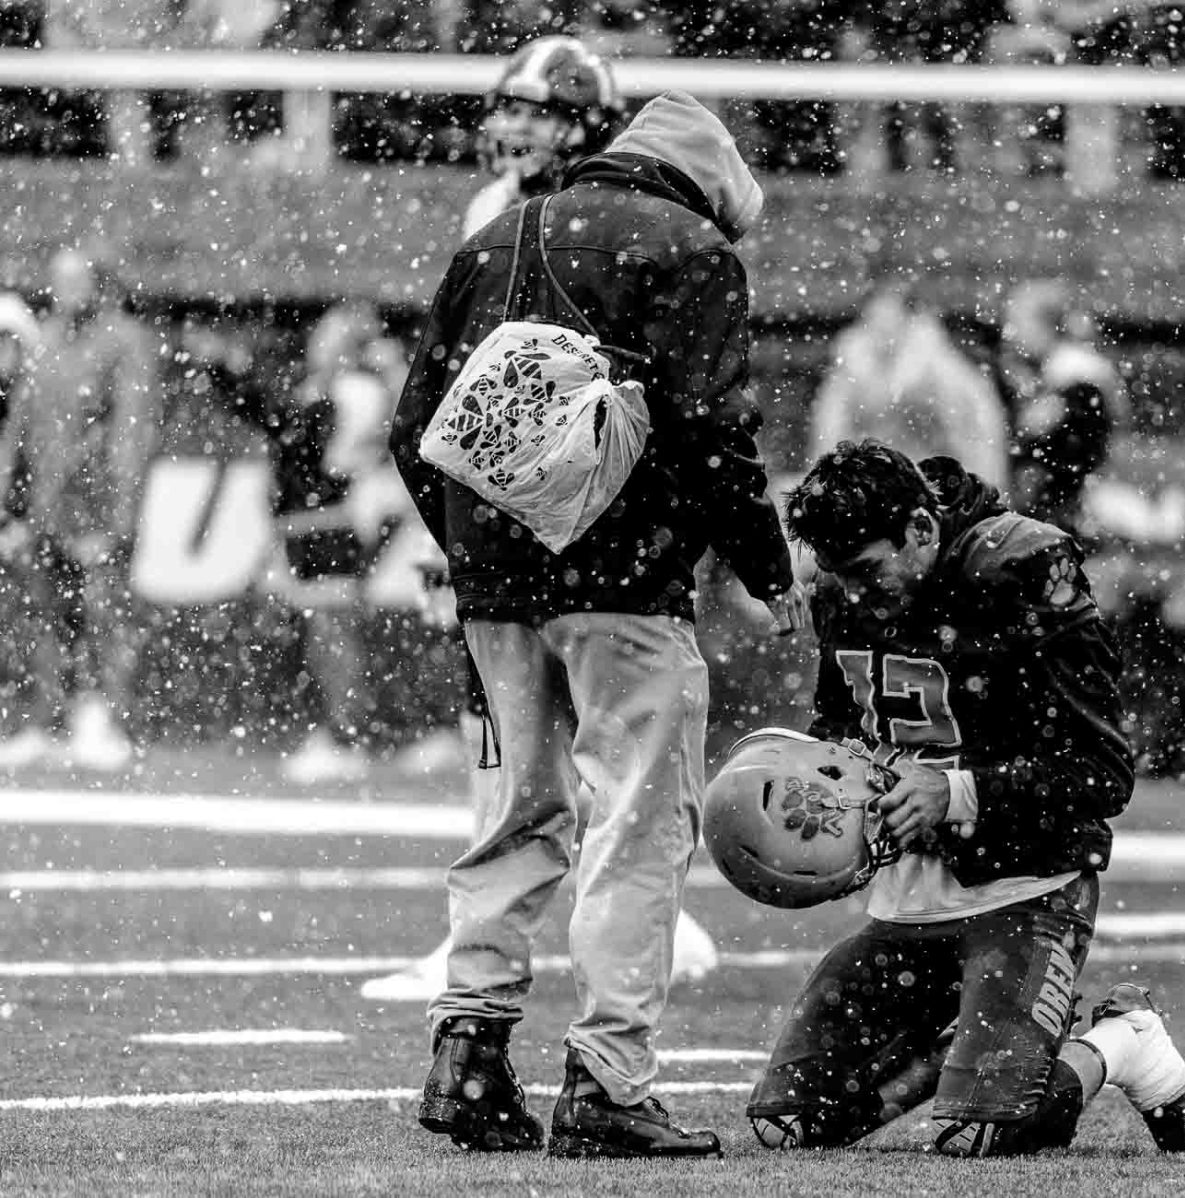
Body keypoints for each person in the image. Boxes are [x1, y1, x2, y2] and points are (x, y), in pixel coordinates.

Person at [390, 90, 804, 1159]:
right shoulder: (692, 248)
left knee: (515, 815)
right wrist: (765, 564)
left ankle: (468, 1051)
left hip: (493, 588)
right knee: (637, 825)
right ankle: (607, 1080)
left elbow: (414, 426)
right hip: (624, 580)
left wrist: (478, 549)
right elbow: (711, 427)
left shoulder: (496, 232)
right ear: (708, 188)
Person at [746, 440, 1185, 1157]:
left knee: (986, 1132)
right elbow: (838, 728)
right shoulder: (845, 590)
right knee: (790, 1123)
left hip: (1024, 889)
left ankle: (1122, 1041)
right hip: (906, 905)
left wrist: (957, 791)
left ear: (922, 529)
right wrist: (823, 804)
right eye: (840, 576)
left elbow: (1102, 772)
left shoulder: (1019, 571)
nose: (856, 592)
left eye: (867, 570)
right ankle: (976, 1042)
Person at [361, 30, 699, 1002]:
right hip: (512, 514)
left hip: (604, 512)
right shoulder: (496, 214)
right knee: (512, 738)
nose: (511, 126)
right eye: (506, 106)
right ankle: (499, 950)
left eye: (534, 110)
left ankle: (608, 937)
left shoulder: (616, 223)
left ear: (589, 124)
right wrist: (460, 523)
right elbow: (463, 389)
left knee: (610, 742)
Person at [0, 242, 161, 771]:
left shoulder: (125, 340)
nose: (66, 290)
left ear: (99, 282)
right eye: (59, 279)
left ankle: (105, 720)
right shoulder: (45, 340)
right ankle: (49, 717)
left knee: (103, 612)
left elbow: (131, 432)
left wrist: (118, 515)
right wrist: (10, 502)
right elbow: (19, 428)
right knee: (45, 615)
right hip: (44, 506)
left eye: (77, 278)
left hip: (96, 503)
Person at [270, 302, 409, 786]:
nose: (318, 347)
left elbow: (328, 454)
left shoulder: (352, 391)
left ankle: (346, 733)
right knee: (324, 632)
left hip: (336, 518)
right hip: (323, 517)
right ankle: (339, 729)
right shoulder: (336, 389)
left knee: (334, 631)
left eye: (330, 339)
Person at [808, 278, 1011, 487]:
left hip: (933, 476)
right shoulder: (851, 363)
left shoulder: (939, 364)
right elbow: (830, 428)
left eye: (889, 317)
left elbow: (972, 424)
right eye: (874, 318)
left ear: (907, 320)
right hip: (874, 479)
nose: (882, 327)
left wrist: (976, 479)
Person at [461, 34, 627, 241]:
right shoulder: (491, 203)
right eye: (513, 111)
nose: (518, 126)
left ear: (591, 130)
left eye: (541, 114)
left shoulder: (616, 216)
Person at [997, 278, 1127, 534]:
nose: (1009, 333)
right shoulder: (1050, 374)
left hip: (1070, 519)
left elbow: (1066, 455)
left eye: (1017, 323)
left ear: (1044, 325)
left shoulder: (1076, 381)